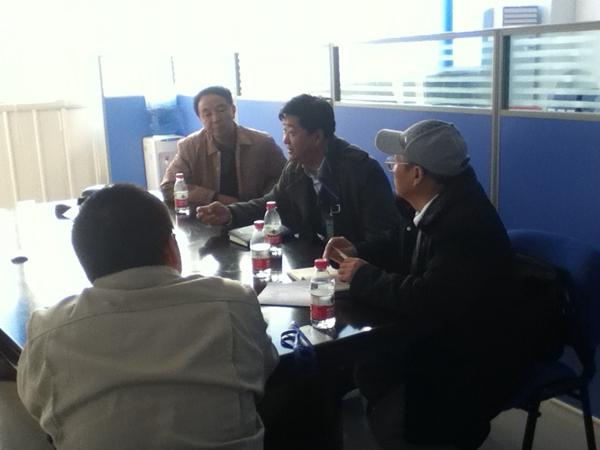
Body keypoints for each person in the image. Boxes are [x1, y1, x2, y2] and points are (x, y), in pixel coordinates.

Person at [324, 120, 558, 450]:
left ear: (417, 174)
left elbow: (428, 298)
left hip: (477, 355)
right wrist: (358, 252)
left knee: (390, 414)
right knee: (366, 368)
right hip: (442, 334)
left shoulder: (465, 226)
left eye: (396, 163)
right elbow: (398, 245)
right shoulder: (433, 203)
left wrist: (363, 276)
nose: (392, 169)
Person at [17, 183, 279, 450]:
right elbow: (264, 368)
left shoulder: (47, 332)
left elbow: (37, 405)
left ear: (87, 264)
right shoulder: (234, 303)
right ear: (170, 249)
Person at [197, 93, 400, 252]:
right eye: (284, 130)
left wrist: (353, 252)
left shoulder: (361, 171)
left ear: (317, 137)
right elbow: (270, 204)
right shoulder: (295, 168)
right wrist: (229, 212)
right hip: (313, 263)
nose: (285, 140)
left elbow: (385, 239)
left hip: (357, 270)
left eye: (292, 132)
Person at [161, 85, 286, 205]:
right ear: (200, 119)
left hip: (252, 214)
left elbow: (284, 179)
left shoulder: (262, 142)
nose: (215, 119)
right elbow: (169, 187)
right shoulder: (189, 147)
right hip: (207, 214)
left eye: (221, 110)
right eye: (207, 114)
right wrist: (215, 198)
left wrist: (259, 204)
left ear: (233, 110)